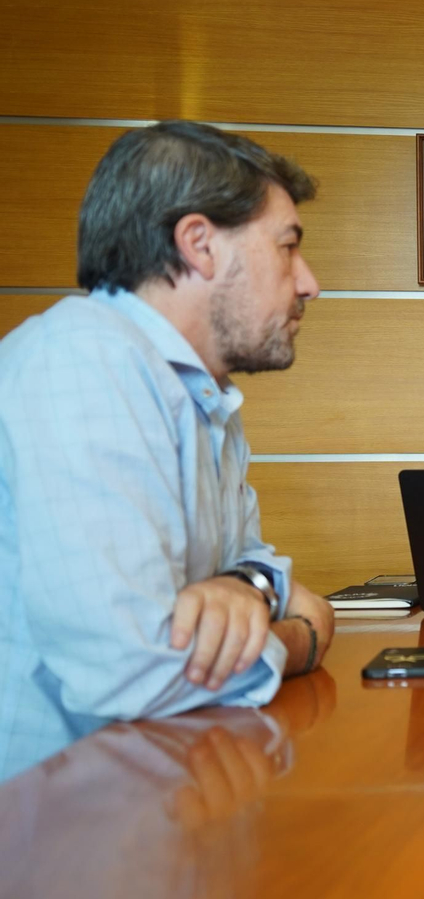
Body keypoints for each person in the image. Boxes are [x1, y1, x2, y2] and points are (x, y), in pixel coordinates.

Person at [0, 121, 335, 781]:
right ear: (199, 245)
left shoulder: (198, 392)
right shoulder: (79, 367)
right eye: (288, 248)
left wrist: (249, 587)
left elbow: (255, 568)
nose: (309, 283)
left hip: (158, 790)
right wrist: (299, 639)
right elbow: (132, 671)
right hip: (53, 834)